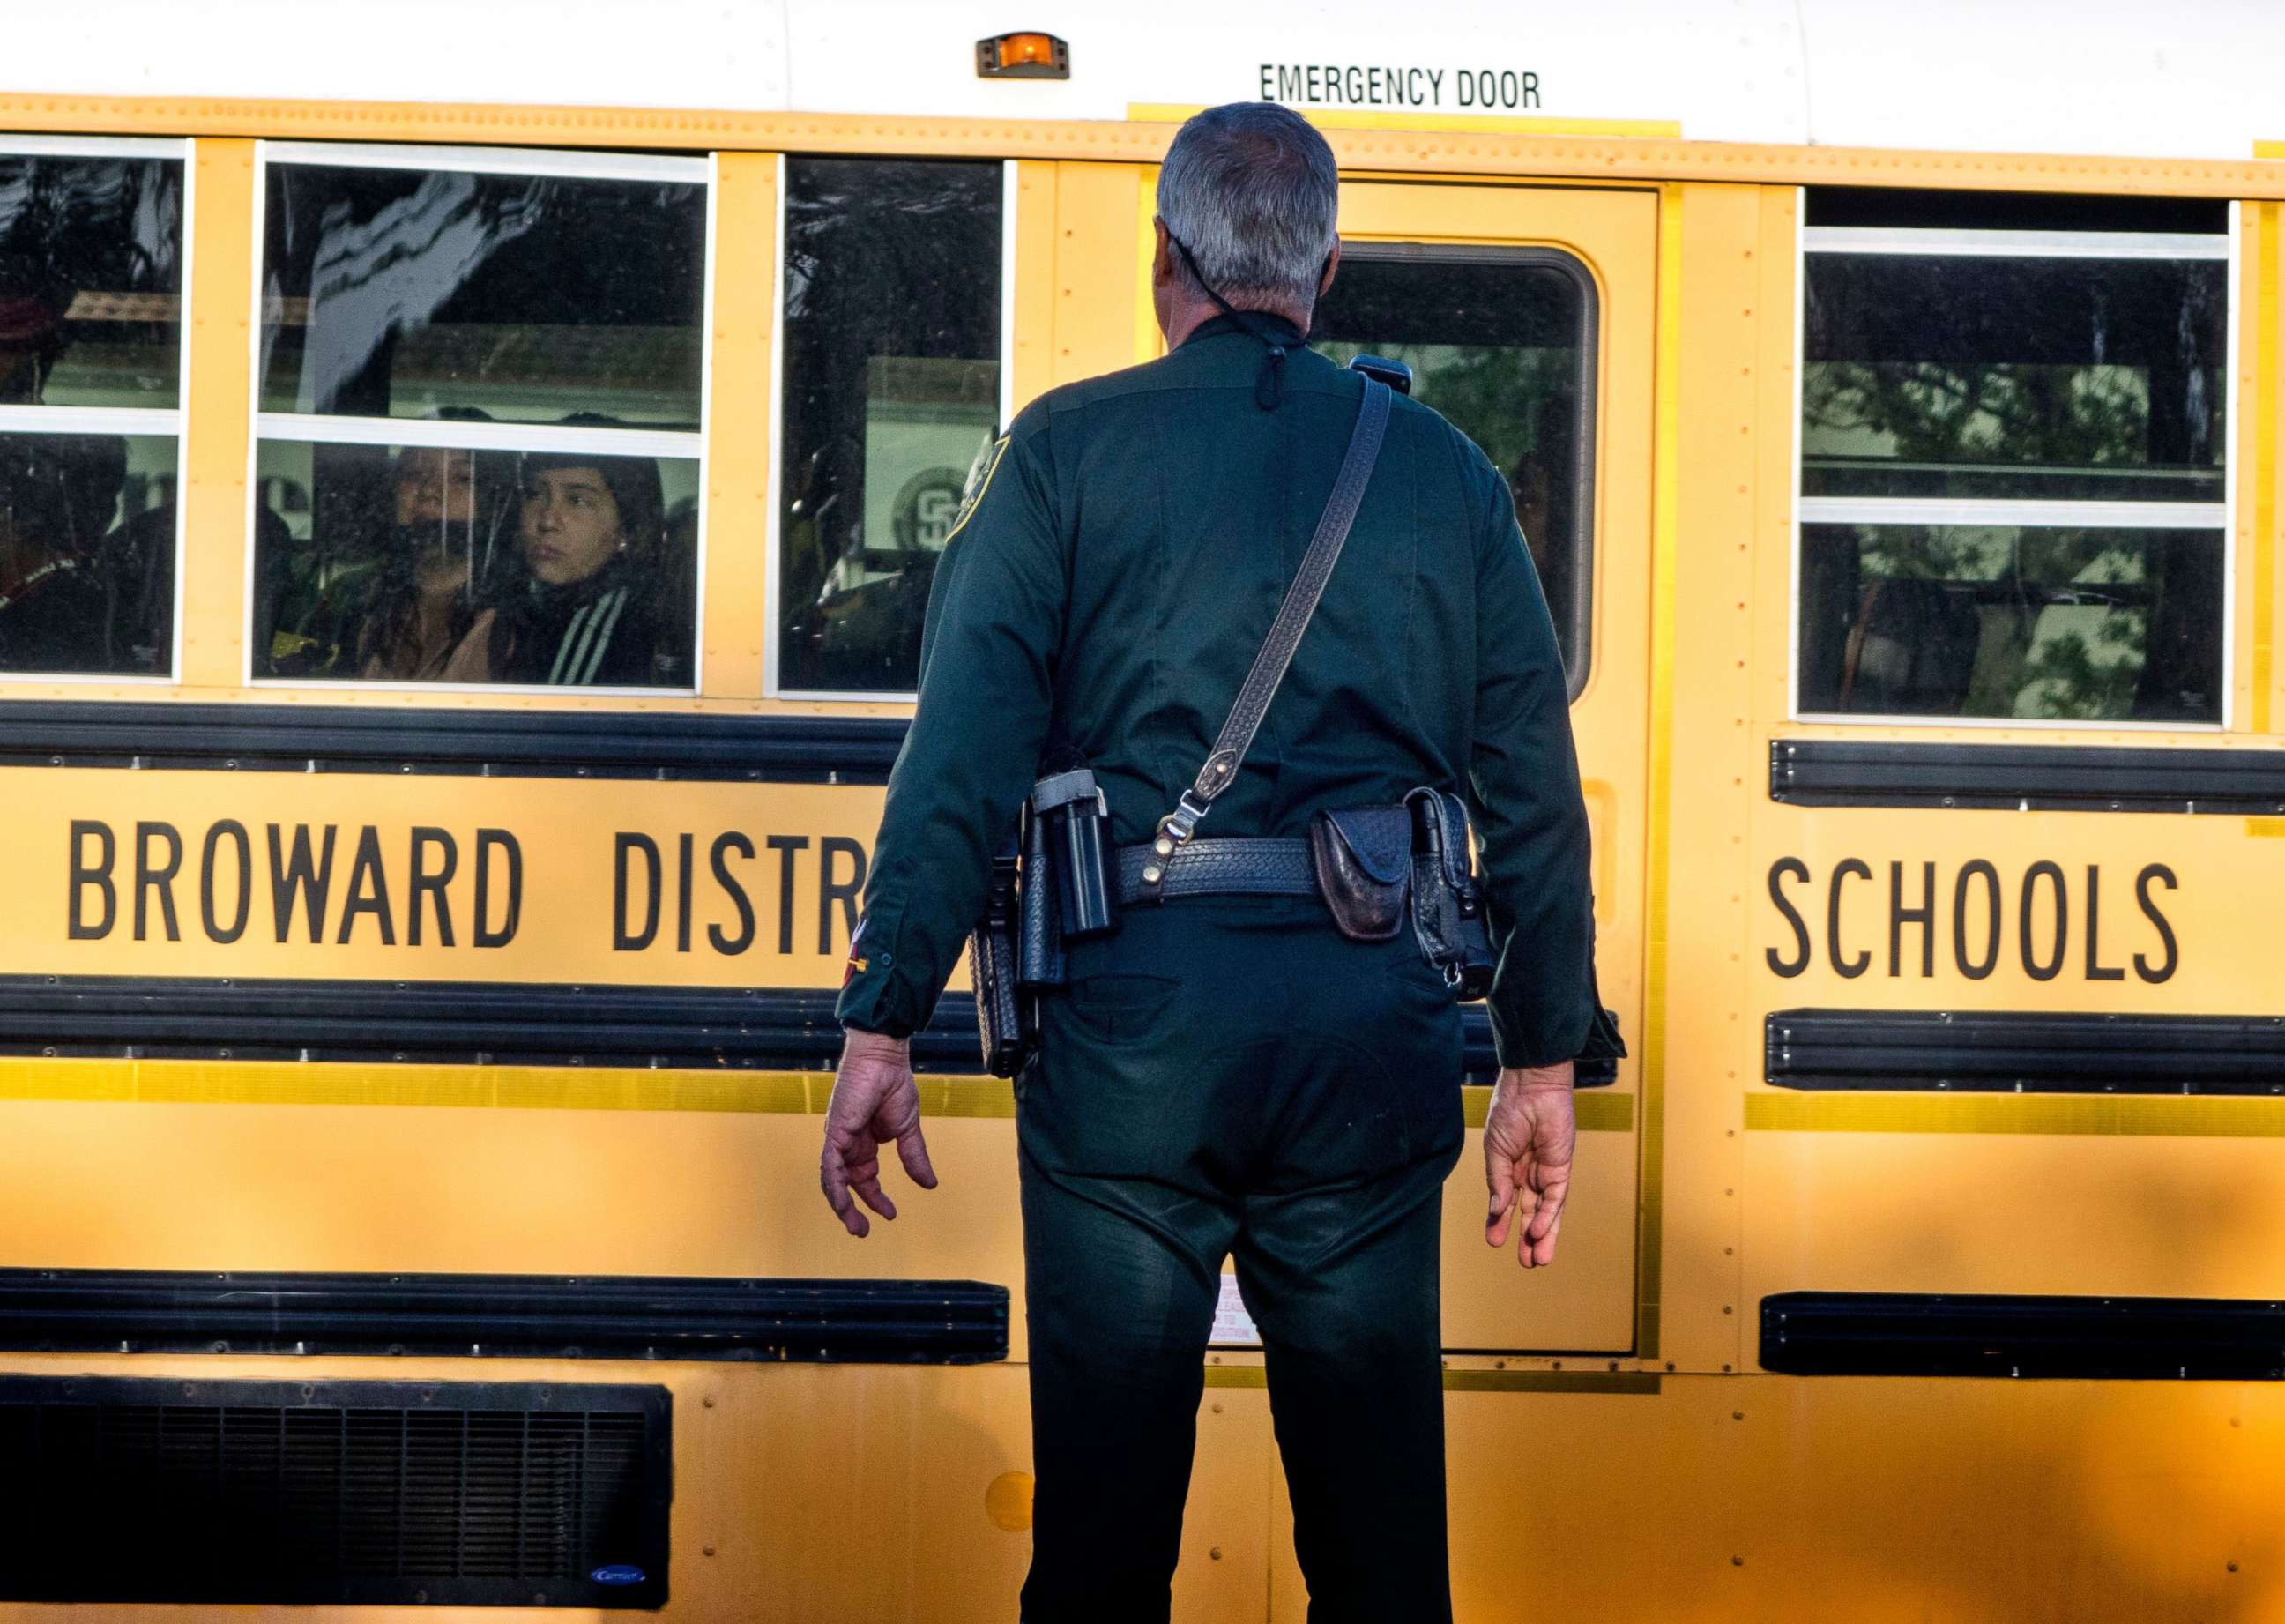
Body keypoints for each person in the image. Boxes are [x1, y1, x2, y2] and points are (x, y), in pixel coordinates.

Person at [819, 103, 1619, 1622]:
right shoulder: (1443, 475)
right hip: (1361, 1035)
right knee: (1382, 1557)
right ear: (1322, 271)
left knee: (1104, 1550)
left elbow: (960, 760)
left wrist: (883, 1010)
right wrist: (1539, 1061)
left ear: (1163, 263)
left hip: (1128, 1043)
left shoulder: (1060, 450)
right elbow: (1532, 793)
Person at [441, 429, 667, 687]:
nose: (547, 519)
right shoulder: (516, 606)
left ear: (627, 528)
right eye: (536, 494)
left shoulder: (614, 630)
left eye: (577, 501)